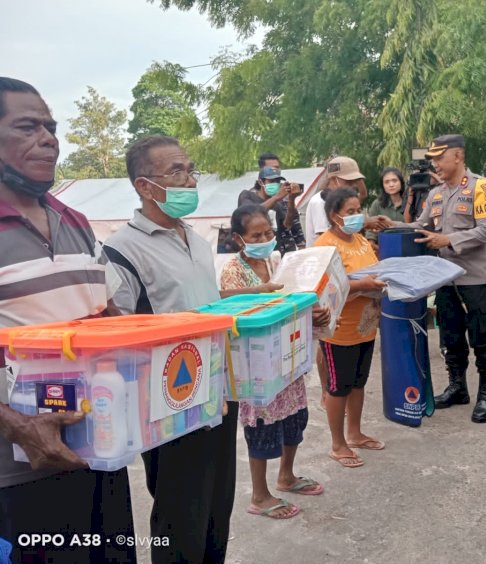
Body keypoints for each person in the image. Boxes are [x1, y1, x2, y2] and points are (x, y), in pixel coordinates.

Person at [0, 77, 135, 563]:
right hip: (19, 466)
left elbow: (104, 316)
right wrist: (18, 426)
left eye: (52, 127)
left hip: (98, 446)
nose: (49, 138)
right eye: (28, 126)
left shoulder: (74, 220)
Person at [103, 135, 238, 563]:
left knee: (218, 509)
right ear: (144, 186)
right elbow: (114, 333)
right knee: (180, 519)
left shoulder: (197, 240)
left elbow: (208, 309)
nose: (190, 179)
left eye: (190, 168)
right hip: (170, 405)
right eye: (176, 171)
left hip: (217, 391)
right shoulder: (121, 249)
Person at [220, 204, 331, 518]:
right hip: (256, 364)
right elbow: (229, 308)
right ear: (240, 239)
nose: (265, 238)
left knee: (295, 419)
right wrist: (262, 293)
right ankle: (259, 495)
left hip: (287, 356)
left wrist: (313, 311)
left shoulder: (276, 260)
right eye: (256, 235)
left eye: (268, 232)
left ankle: (287, 476)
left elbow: (292, 299)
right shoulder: (233, 269)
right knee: (262, 428)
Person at [395, 134, 486, 423]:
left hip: (474, 279)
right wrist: (390, 225)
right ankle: (458, 387)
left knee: (482, 339)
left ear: (457, 155)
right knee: (451, 338)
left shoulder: (483, 186)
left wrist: (447, 239)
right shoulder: (436, 193)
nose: (435, 164)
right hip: (445, 281)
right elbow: (420, 225)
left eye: (439, 158)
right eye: (432, 159)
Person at [314, 188, 386, 467]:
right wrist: (363, 285)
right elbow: (325, 286)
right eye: (351, 212)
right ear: (334, 216)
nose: (358, 216)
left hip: (366, 325)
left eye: (359, 210)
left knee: (358, 383)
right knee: (338, 387)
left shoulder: (360, 240)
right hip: (340, 329)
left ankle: (355, 434)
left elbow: (375, 269)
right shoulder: (325, 246)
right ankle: (338, 444)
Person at [237, 166, 305, 256]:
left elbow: (287, 225)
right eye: (271, 181)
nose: (275, 184)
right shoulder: (247, 195)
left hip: (275, 253)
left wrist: (291, 200)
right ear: (261, 182)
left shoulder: (278, 203)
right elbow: (251, 213)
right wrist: (276, 197)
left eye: (277, 181)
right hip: (255, 252)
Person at [304, 156, 368, 246]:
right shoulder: (320, 202)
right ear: (334, 180)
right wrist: (365, 223)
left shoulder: (344, 200)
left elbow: (363, 194)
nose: (353, 186)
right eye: (349, 182)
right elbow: (326, 237)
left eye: (355, 182)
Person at [366, 167, 405, 247]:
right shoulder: (377, 204)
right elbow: (370, 229)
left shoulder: (410, 202)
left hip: (406, 244)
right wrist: (371, 243)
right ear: (383, 185)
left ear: (401, 182)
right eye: (387, 182)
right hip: (384, 246)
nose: (391, 185)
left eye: (394, 181)